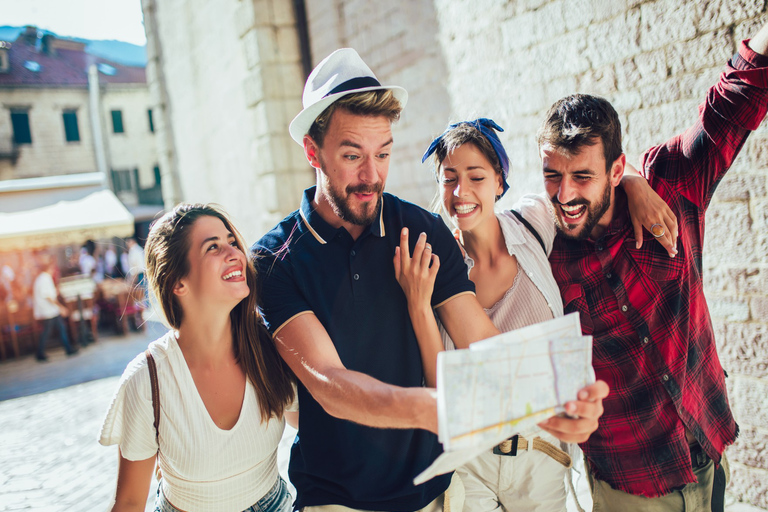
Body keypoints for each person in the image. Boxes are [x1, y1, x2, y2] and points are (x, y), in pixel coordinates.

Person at [253, 48, 608, 512]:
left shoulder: (422, 230)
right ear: (312, 151)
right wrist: (435, 408)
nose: (371, 175)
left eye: (382, 154)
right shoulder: (276, 258)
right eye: (352, 155)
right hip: (334, 501)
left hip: (434, 498)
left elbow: (483, 343)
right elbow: (330, 384)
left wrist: (556, 402)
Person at [521, 23, 768, 511]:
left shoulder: (671, 185)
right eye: (553, 175)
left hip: (707, 442)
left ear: (616, 169)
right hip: (628, 484)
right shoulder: (540, 248)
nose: (565, 194)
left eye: (583, 176)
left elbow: (735, 100)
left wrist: (639, 182)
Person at [396, 119, 674, 512]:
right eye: (449, 178)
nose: (461, 192)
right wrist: (419, 306)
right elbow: (439, 384)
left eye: (476, 176)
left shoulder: (532, 223)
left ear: (499, 182)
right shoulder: (435, 268)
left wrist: (634, 183)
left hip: (540, 453)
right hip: (469, 462)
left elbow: (587, 181)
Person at [99, 203, 296, 512]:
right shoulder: (147, 378)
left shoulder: (270, 349)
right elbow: (128, 502)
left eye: (232, 242)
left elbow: (313, 424)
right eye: (213, 247)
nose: (235, 254)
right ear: (178, 282)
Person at [33, 257, 76, 361]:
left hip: (50, 310)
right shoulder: (44, 278)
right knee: (48, 331)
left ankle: (68, 349)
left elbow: (49, 294)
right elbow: (48, 297)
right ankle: (40, 353)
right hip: (48, 310)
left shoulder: (43, 278)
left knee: (60, 329)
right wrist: (61, 308)